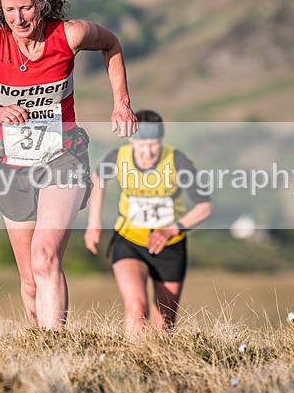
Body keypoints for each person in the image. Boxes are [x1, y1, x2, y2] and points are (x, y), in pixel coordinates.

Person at [0, 0, 137, 330]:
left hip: (63, 159)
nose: (18, 18)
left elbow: (111, 43)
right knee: (30, 279)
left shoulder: (71, 35)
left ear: (43, 1)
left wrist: (121, 102)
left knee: (45, 258)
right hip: (13, 166)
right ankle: (38, 348)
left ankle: (56, 350)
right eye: (10, 9)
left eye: (26, 7)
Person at [84, 110, 212, 335]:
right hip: (129, 241)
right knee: (136, 307)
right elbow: (98, 179)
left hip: (170, 246)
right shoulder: (119, 156)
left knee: (164, 322)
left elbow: (205, 206)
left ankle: (158, 364)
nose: (147, 152)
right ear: (132, 140)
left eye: (153, 145)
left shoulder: (177, 160)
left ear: (161, 141)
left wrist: (171, 230)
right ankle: (131, 362)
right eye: (141, 145)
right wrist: (93, 222)